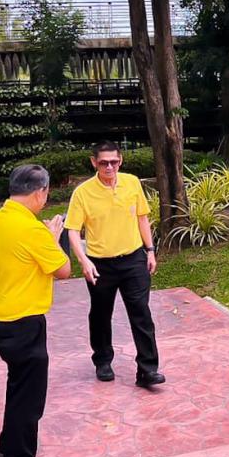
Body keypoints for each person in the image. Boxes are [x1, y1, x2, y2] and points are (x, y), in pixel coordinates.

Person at [0, 165, 71, 457]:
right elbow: (63, 270)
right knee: (30, 395)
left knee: (18, 386)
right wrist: (54, 238)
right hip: (24, 322)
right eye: (46, 192)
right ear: (40, 192)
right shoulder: (32, 230)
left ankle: (8, 447)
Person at [65, 141, 163, 387]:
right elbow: (73, 231)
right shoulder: (83, 192)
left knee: (141, 313)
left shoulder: (132, 182)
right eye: (103, 163)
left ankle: (148, 370)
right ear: (94, 162)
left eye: (114, 162)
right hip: (100, 264)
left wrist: (150, 250)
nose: (109, 167)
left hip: (133, 259)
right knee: (100, 314)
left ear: (121, 161)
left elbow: (142, 218)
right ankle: (102, 360)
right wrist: (83, 260)